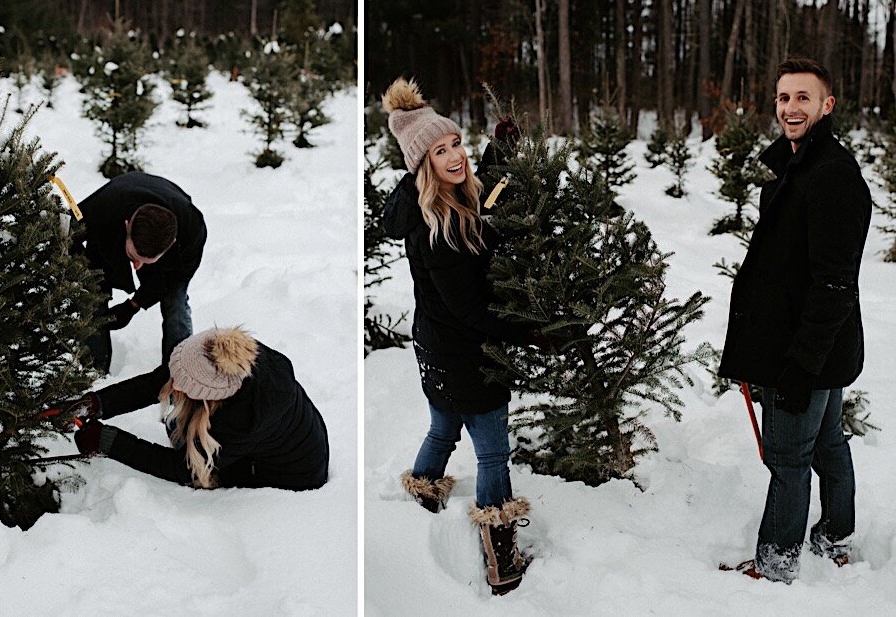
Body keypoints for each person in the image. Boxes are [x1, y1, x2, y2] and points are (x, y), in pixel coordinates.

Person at [381, 77, 543, 596]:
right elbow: (473, 310)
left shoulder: (443, 203)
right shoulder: (440, 229)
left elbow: (477, 190)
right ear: (420, 165)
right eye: (439, 151)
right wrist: (535, 333)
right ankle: (501, 555)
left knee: (443, 426)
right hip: (466, 355)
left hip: (435, 350)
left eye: (456, 144)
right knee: (493, 453)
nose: (455, 157)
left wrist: (499, 150)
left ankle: (425, 490)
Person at [719, 57, 871, 583]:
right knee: (827, 442)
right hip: (812, 347)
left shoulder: (831, 177)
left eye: (803, 98)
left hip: (804, 352)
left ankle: (776, 562)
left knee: (787, 456)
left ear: (826, 105)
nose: (790, 108)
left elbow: (834, 284)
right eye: (784, 98)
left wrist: (800, 365)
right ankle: (835, 534)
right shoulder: (797, 168)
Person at [59, 326, 329, 491]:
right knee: (176, 424)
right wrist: (96, 403)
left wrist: (107, 441)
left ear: (207, 396)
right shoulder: (219, 357)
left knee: (191, 450)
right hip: (274, 440)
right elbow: (158, 381)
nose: (172, 383)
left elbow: (185, 469)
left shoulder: (245, 419)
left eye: (182, 382)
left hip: (287, 475)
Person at [75, 172, 206, 373]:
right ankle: (93, 373)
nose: (136, 266)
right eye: (132, 256)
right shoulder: (103, 207)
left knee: (175, 303)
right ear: (127, 225)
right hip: (109, 236)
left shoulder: (192, 230)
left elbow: (175, 279)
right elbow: (64, 229)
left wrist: (134, 304)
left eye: (146, 261)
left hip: (172, 236)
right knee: (93, 299)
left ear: (170, 244)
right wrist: (82, 268)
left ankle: (179, 376)